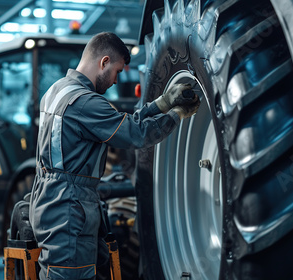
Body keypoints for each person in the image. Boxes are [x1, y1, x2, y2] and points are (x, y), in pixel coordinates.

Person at [29, 32, 200, 280]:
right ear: (104, 61)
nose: (116, 81)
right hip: (69, 208)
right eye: (117, 71)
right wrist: (177, 114)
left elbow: (120, 122)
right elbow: (137, 134)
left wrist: (162, 103)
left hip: (50, 200)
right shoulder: (84, 102)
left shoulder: (57, 91)